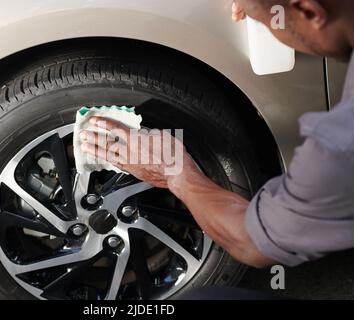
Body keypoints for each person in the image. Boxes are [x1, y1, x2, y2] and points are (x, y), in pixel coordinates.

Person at [79, 0, 354, 270]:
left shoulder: (340, 143)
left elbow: (253, 242)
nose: (270, 29)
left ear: (308, 10)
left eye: (268, 24)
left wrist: (174, 172)